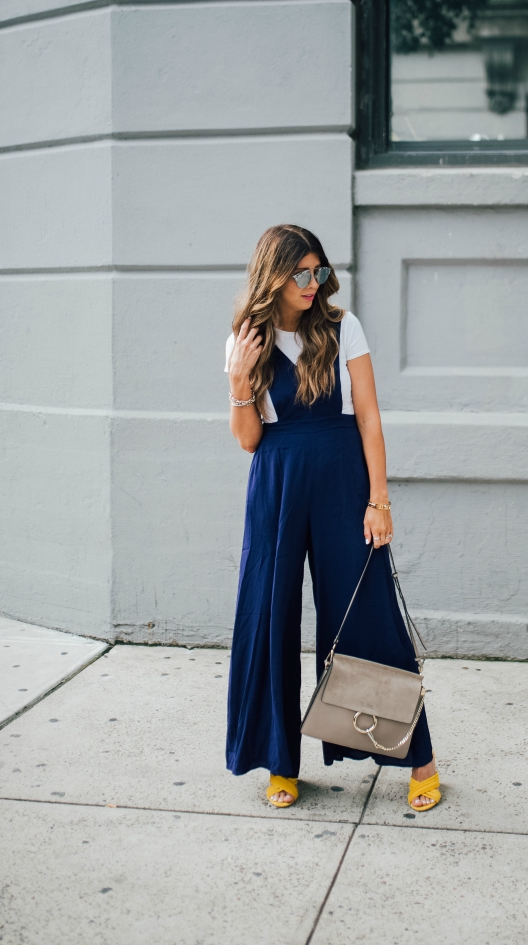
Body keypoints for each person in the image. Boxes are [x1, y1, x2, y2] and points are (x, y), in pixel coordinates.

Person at [224, 224, 440, 811]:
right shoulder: (246, 341)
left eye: (319, 272)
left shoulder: (345, 328)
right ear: (272, 275)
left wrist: (380, 500)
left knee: (366, 611)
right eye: (300, 274)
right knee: (270, 617)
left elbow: (369, 418)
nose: (312, 284)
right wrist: (240, 379)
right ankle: (280, 761)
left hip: (345, 481)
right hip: (276, 484)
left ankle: (419, 757)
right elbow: (248, 440)